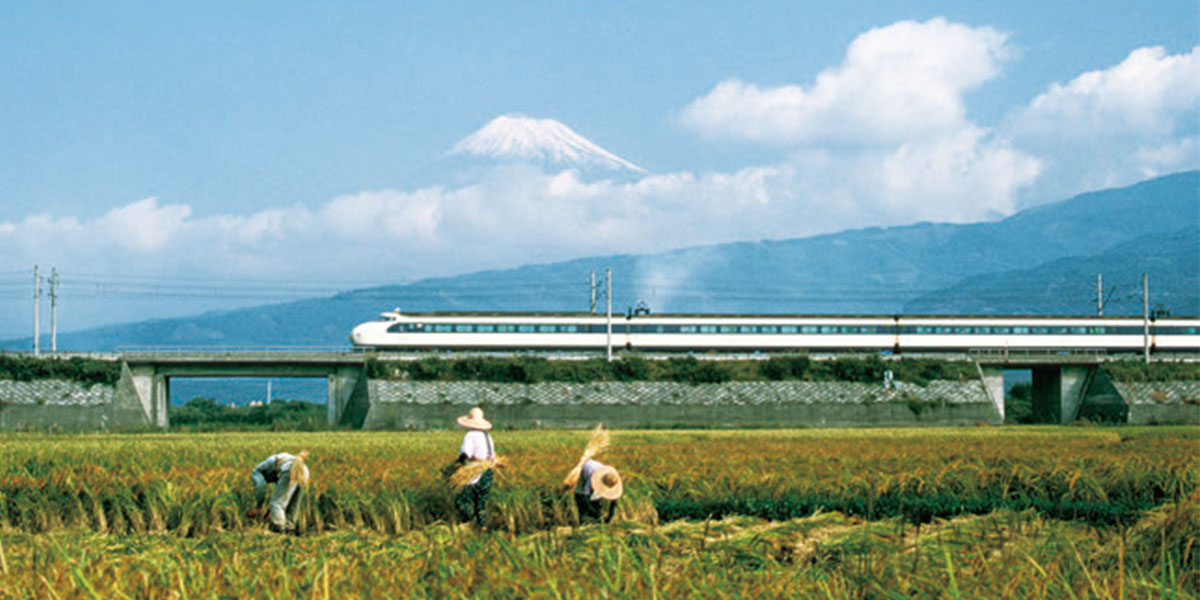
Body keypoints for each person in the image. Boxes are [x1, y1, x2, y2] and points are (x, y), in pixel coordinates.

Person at [450, 407, 495, 530]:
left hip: (475, 470)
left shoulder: (471, 435)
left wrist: (458, 463)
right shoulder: (487, 436)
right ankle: (482, 526)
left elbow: (466, 453)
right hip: (488, 470)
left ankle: (470, 521)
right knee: (480, 501)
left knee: (461, 499)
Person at [249, 450, 310, 533]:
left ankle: (281, 530)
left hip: (290, 469)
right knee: (293, 504)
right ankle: (289, 529)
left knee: (276, 504)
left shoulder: (256, 472)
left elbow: (261, 487)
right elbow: (283, 493)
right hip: (304, 470)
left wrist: (258, 507)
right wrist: (271, 512)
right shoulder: (274, 464)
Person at [574, 459, 622, 523]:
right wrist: (597, 514)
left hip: (597, 467)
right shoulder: (592, 476)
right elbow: (585, 497)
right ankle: (583, 521)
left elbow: (614, 501)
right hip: (585, 470)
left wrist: (610, 515)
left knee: (596, 501)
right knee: (581, 502)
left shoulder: (613, 479)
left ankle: (596, 518)